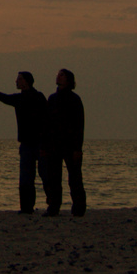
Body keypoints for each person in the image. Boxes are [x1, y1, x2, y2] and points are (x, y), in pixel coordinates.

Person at [0, 71, 49, 214]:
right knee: (25, 178)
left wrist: (46, 141)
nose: (16, 81)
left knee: (45, 175)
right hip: (26, 144)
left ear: (26, 81)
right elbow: (4, 98)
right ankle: (26, 207)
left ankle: (52, 206)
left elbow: (46, 119)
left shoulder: (38, 97)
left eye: (19, 79)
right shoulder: (19, 98)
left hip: (40, 143)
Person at [42, 67, 86, 216]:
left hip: (70, 144)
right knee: (53, 178)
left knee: (74, 178)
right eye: (58, 75)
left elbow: (79, 124)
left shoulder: (74, 99)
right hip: (54, 144)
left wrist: (77, 148)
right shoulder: (52, 99)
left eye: (62, 75)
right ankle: (54, 207)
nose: (58, 77)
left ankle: (79, 208)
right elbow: (47, 123)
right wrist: (45, 145)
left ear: (68, 80)